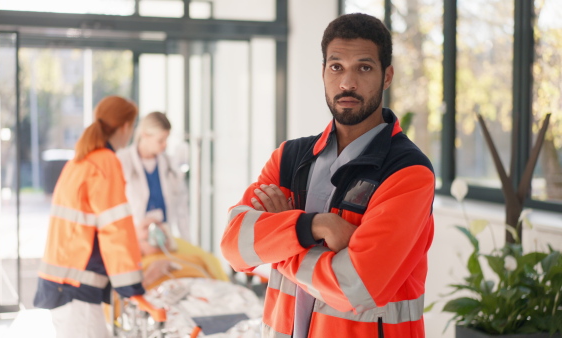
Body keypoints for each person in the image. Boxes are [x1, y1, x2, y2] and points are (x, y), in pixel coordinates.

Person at [220, 13, 435, 338]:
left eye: (363, 67)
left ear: (387, 76)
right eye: (336, 67)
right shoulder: (289, 158)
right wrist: (314, 226)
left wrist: (282, 240)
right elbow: (234, 246)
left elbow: (355, 287)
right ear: (323, 72)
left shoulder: (408, 173)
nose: (347, 82)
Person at [34, 96, 145, 338]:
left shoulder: (80, 161)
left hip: (62, 284)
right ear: (126, 126)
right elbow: (115, 229)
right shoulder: (105, 162)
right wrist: (132, 287)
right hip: (75, 289)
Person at [116, 111, 227, 289]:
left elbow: (182, 209)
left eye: (166, 140)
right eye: (160, 140)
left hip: (166, 239)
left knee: (209, 261)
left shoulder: (169, 165)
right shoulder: (123, 161)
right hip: (138, 241)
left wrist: (187, 240)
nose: (164, 145)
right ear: (144, 135)